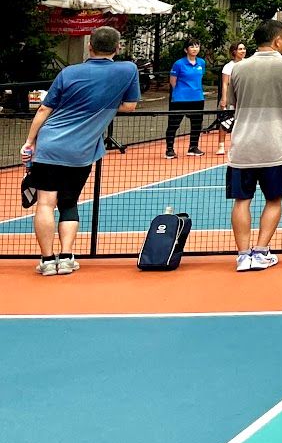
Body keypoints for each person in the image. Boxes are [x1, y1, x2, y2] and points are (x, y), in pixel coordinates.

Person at [18, 26, 140, 276]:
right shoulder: (128, 70)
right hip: (82, 151)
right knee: (69, 202)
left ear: (89, 46)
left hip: (50, 145)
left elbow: (44, 109)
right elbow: (130, 106)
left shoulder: (69, 72)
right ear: (118, 48)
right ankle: (66, 258)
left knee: (45, 203)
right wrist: (102, 106)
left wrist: (29, 142)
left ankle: (47, 260)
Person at [226, 19, 282, 272]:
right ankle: (261, 252)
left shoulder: (238, 68)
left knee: (241, 201)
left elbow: (232, 101)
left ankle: (243, 256)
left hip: (242, 146)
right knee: (274, 200)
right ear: (277, 40)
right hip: (275, 145)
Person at [164, 38, 207, 159]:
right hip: (180, 99)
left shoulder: (201, 62)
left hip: (197, 98)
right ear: (186, 49)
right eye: (192, 46)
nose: (195, 49)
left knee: (196, 124)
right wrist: (180, 91)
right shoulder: (178, 64)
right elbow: (173, 81)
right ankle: (169, 149)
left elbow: (200, 77)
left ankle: (193, 147)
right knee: (174, 124)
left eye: (197, 46)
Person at [216, 40, 247, 156]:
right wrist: (224, 99)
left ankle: (240, 146)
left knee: (244, 123)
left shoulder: (248, 64)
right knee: (225, 121)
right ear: (234, 52)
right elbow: (225, 84)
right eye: (240, 49)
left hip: (244, 98)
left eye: (244, 49)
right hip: (231, 98)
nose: (243, 51)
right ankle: (221, 146)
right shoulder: (228, 66)